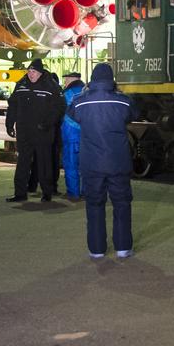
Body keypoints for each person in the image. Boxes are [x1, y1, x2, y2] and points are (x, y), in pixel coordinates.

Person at [67, 63, 136, 259]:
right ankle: (123, 248)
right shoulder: (123, 101)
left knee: (94, 204)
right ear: (112, 80)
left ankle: (96, 250)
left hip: (91, 163)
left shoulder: (80, 102)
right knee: (122, 203)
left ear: (92, 80)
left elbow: (71, 114)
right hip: (118, 162)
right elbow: (133, 115)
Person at [6, 58, 64, 202]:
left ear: (40, 72)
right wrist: (9, 123)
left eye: (34, 72)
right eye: (29, 71)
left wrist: (47, 124)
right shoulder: (21, 85)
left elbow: (59, 107)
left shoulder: (51, 86)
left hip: (42, 132)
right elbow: (12, 104)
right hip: (24, 131)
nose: (31, 74)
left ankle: (47, 192)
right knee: (22, 162)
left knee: (44, 163)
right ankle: (20, 193)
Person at [60, 70, 85, 200]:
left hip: (70, 133)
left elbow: (60, 112)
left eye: (66, 79)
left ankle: (73, 193)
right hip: (86, 134)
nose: (65, 82)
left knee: (71, 163)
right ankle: (86, 192)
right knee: (85, 165)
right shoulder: (87, 91)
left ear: (71, 79)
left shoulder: (67, 93)